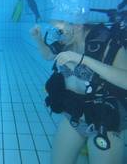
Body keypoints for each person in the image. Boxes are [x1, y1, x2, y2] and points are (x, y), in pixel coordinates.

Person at [30, 20, 127, 164]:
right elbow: (48, 56)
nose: (58, 36)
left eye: (60, 30)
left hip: (105, 122)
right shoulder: (66, 41)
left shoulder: (107, 43)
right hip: (75, 116)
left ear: (77, 24)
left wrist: (83, 59)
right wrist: (37, 39)